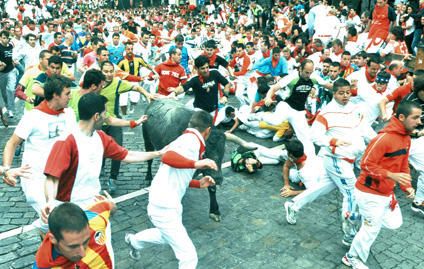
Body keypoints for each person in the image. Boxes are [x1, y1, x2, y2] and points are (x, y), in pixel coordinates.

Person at [42, 93, 162, 220]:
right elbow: (52, 178)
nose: (106, 117)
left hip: (94, 204)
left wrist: (159, 153)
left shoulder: (100, 137)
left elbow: (127, 155)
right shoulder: (66, 141)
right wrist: (50, 201)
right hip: (70, 209)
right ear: (96, 116)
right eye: (105, 113)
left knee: (102, 239)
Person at [124, 110, 218, 268]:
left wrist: (197, 183)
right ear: (208, 130)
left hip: (164, 201)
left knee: (164, 236)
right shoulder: (191, 141)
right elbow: (167, 157)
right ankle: (133, 241)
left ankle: (133, 241)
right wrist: (196, 164)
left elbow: (177, 173)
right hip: (164, 204)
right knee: (189, 257)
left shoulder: (187, 138)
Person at [342, 100, 419, 269]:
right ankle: (352, 257)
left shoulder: (406, 139)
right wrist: (391, 175)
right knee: (372, 228)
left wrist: (407, 187)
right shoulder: (383, 138)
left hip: (386, 193)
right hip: (369, 192)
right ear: (401, 117)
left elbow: (403, 164)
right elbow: (366, 164)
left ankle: (356, 217)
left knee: (394, 222)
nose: (419, 121)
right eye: (415, 117)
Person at [2, 75, 77, 231]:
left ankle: (47, 243)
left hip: (59, 177)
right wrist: (7, 169)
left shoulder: (69, 114)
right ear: (56, 95)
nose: (70, 97)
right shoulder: (33, 116)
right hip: (35, 178)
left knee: (59, 224)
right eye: (67, 94)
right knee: (55, 221)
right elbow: (12, 143)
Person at [311, 78, 375, 246]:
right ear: (334, 93)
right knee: (351, 194)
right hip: (336, 159)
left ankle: (294, 205)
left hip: (352, 157)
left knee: (322, 188)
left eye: (347, 92)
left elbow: (365, 129)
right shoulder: (326, 112)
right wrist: (333, 141)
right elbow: (315, 136)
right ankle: (349, 233)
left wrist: (378, 142)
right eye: (341, 93)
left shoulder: (356, 108)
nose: (345, 96)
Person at [33, 199, 116, 268]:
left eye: (86, 241)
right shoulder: (43, 266)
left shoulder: (95, 219)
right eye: (73, 246)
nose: (82, 254)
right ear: (53, 239)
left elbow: (111, 206)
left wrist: (110, 202)